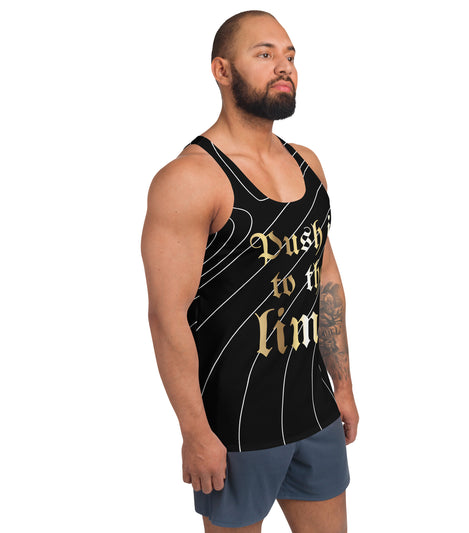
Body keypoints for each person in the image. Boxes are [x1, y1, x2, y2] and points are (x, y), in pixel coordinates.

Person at [141, 9, 359, 532]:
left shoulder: (307, 163)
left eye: (290, 56)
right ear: (222, 70)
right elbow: (167, 316)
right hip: (235, 424)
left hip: (314, 409)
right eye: (264, 54)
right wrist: (194, 430)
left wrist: (343, 386)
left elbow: (325, 278)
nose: (284, 67)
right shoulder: (190, 178)